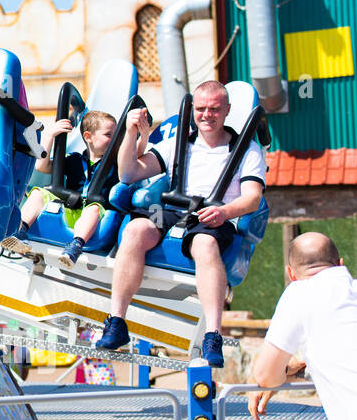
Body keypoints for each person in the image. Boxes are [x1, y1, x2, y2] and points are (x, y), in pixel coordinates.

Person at [98, 81, 266, 366]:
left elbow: (252, 197)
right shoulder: (180, 144)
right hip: (175, 210)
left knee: (204, 242)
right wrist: (129, 132)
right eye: (201, 109)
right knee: (135, 228)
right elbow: (128, 172)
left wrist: (225, 212)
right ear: (193, 110)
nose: (206, 115)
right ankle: (117, 321)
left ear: (227, 110)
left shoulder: (247, 150)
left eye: (214, 109)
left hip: (214, 214)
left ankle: (213, 335)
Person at [251, 233, 357, 420]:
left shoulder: (299, 293)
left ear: (290, 273)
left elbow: (265, 374)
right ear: (340, 263)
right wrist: (302, 360)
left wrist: (275, 378)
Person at [2, 110, 117, 268]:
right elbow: (42, 166)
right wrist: (50, 135)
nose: (115, 139)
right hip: (70, 210)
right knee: (37, 193)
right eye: (109, 135)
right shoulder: (74, 159)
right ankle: (20, 232)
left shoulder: (116, 164)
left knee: (93, 209)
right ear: (88, 137)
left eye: (117, 135)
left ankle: (75, 246)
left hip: (95, 216)